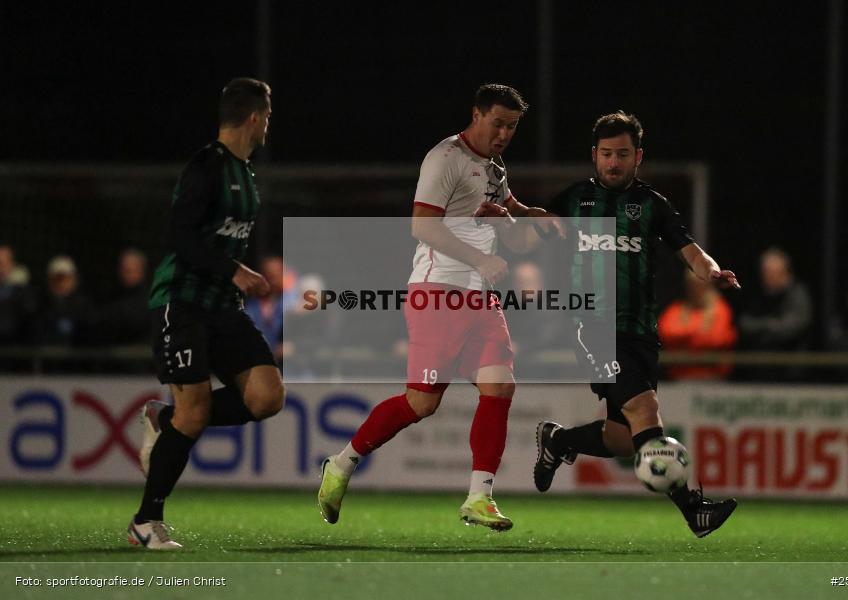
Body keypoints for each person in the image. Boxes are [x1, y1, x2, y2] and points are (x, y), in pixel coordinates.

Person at [318, 84, 541, 531]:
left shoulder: (494, 168)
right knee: (421, 404)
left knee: (500, 387)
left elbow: (512, 229)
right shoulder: (445, 158)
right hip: (438, 292)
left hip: (480, 297)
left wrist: (533, 221)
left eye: (512, 126)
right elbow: (423, 225)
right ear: (476, 114)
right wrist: (481, 257)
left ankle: (479, 497)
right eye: (497, 122)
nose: (503, 133)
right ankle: (341, 464)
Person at [532, 111, 740, 538]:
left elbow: (692, 252)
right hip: (591, 326)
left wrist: (713, 273)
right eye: (606, 154)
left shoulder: (652, 205)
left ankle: (559, 441)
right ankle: (692, 510)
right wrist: (510, 216)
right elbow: (535, 230)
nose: (613, 163)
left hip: (640, 333)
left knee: (623, 438)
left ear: (638, 156)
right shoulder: (573, 199)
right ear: (594, 155)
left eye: (622, 154)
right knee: (646, 411)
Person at [128, 78, 285, 550]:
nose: (269, 125)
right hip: (184, 301)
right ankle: (145, 522)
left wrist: (238, 275)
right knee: (195, 415)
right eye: (269, 116)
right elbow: (179, 235)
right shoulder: (206, 166)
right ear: (256, 117)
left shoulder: (245, 171)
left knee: (266, 396)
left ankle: (165, 419)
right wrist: (233, 269)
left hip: (223, 305)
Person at [738, 247, 812, 380]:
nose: (767, 276)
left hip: (790, 372)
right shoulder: (758, 295)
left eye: (772, 272)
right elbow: (745, 324)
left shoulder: (797, 294)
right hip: (759, 371)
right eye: (765, 272)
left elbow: (791, 329)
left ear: (785, 272)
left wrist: (762, 331)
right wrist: (770, 324)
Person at [658, 269, 737, 379]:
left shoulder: (721, 309)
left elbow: (716, 339)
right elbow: (666, 333)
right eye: (692, 285)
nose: (695, 290)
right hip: (678, 378)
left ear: (709, 285)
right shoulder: (677, 308)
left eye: (700, 285)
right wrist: (699, 332)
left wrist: (684, 337)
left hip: (713, 378)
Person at [97, 248, 152, 345]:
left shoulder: (151, 299)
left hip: (142, 355)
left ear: (142, 271)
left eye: (132, 270)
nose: (128, 273)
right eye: (125, 269)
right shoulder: (111, 296)